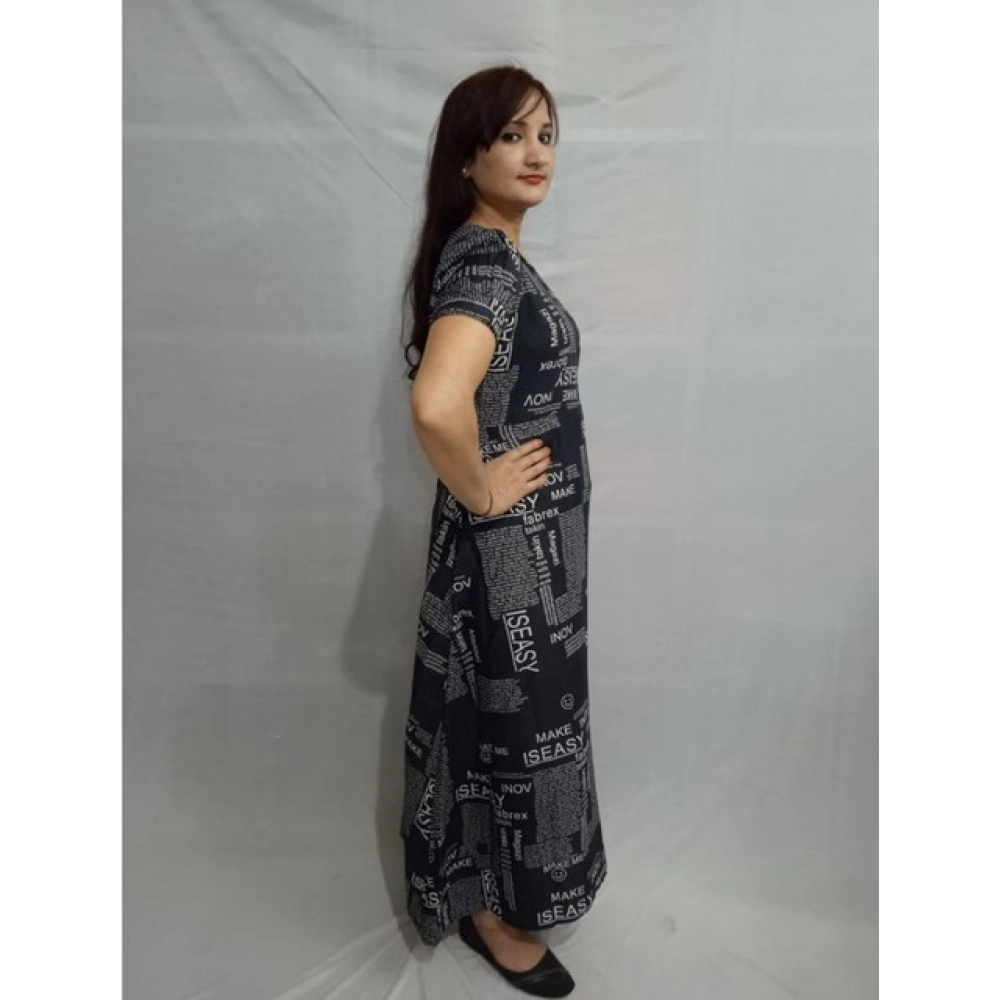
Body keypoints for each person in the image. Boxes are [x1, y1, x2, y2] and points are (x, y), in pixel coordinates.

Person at [398, 65, 607, 998]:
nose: (536, 154)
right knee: (518, 732)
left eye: (547, 136)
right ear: (467, 153)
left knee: (506, 724)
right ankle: (494, 912)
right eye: (514, 134)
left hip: (537, 561)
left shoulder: (495, 256)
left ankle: (489, 894)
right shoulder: (484, 262)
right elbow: (436, 403)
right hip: (511, 559)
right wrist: (484, 495)